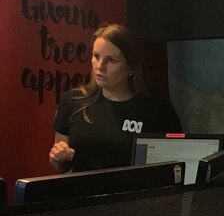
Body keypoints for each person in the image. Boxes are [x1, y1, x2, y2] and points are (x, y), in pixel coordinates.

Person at [49, 24, 181, 173]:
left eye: (111, 60)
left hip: (134, 194)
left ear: (131, 67)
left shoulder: (158, 110)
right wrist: (58, 157)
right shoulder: (73, 101)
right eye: (96, 56)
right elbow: (60, 165)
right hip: (81, 193)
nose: (100, 66)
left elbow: (173, 167)